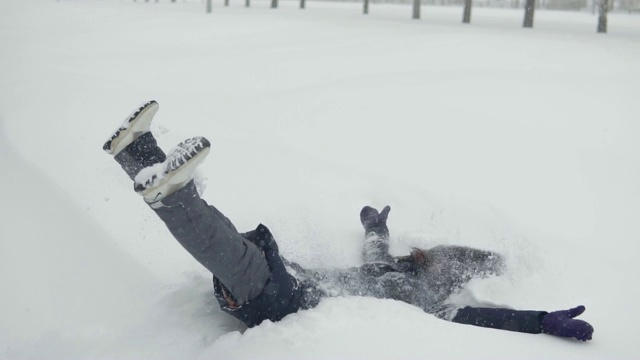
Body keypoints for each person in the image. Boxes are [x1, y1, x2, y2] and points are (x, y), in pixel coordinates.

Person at [103, 100, 594, 341]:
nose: (440, 262)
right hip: (295, 285)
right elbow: (378, 250)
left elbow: (486, 318)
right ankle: (139, 155)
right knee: (239, 246)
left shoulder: (429, 308)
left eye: (449, 262)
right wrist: (374, 227)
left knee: (241, 258)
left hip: (294, 306)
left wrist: (539, 320)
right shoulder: (395, 276)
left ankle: (170, 193)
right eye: (443, 256)